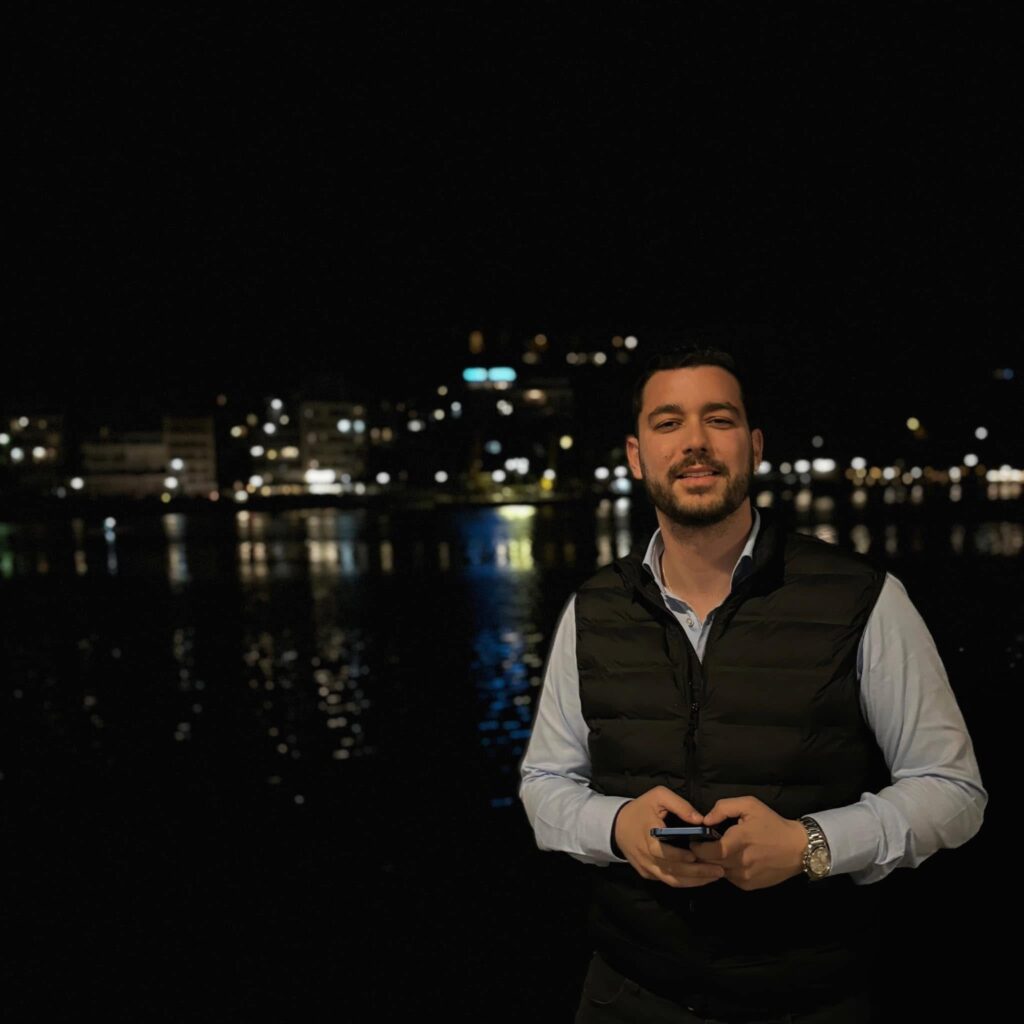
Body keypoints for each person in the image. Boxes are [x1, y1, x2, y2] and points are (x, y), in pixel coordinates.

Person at [518, 346, 987, 1023]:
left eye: (720, 419)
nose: (696, 442)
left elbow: (952, 790)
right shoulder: (592, 609)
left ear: (755, 446)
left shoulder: (863, 598)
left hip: (808, 1000)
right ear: (636, 455)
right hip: (628, 994)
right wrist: (617, 827)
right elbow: (544, 784)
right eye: (669, 423)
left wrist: (808, 845)